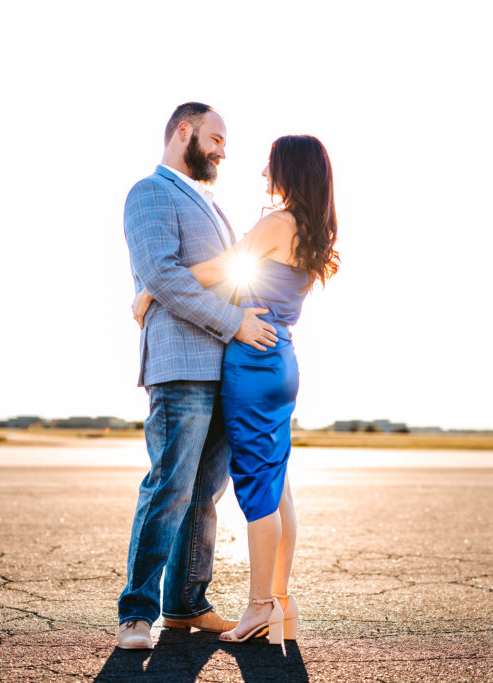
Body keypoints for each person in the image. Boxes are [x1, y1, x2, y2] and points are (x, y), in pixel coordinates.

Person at [132, 134, 339, 649]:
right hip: (283, 357)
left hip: (253, 360)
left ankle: (259, 607)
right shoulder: (312, 228)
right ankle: (281, 602)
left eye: (270, 167)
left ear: (289, 169)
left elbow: (221, 271)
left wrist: (152, 288)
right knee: (277, 482)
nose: (263, 175)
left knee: (256, 489)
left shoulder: (276, 222)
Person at [117, 102, 279, 650]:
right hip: (181, 367)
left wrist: (149, 293)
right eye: (215, 138)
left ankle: (185, 604)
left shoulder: (210, 203)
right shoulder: (149, 192)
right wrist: (233, 322)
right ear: (182, 131)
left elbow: (217, 274)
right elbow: (162, 272)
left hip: (224, 372)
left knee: (204, 494)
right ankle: (136, 613)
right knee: (169, 488)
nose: (222, 150)